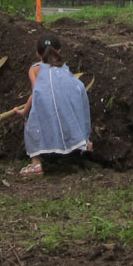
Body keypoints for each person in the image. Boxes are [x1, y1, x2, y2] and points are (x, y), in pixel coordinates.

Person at [13, 35, 91, 176]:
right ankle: (85, 142)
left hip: (47, 106)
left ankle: (36, 164)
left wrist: (24, 112)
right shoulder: (63, 68)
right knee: (72, 113)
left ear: (37, 53)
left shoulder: (35, 69)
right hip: (71, 104)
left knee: (31, 122)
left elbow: (36, 94)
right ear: (59, 51)